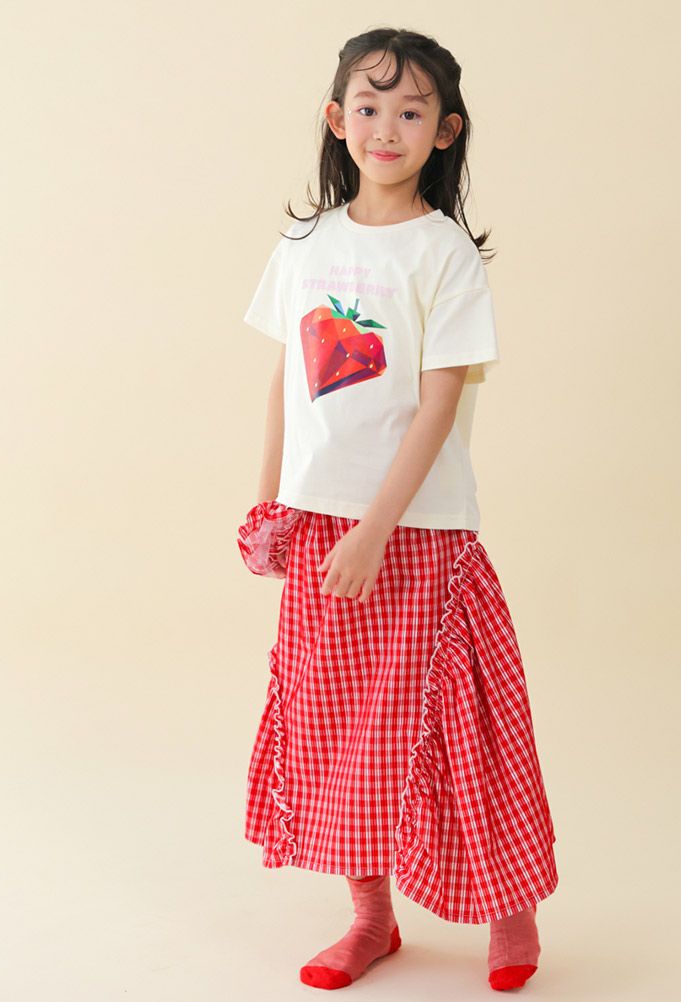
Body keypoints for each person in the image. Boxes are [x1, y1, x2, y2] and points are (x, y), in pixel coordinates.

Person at [236, 27, 559, 993]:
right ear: (337, 119)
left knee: (460, 726)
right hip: (320, 527)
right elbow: (285, 381)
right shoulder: (304, 244)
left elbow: (439, 402)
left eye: (411, 111)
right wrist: (270, 504)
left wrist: (375, 530)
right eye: (368, 107)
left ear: (444, 131)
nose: (386, 127)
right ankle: (371, 916)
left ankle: (510, 910)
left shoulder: (444, 254)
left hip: (416, 531)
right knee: (336, 731)